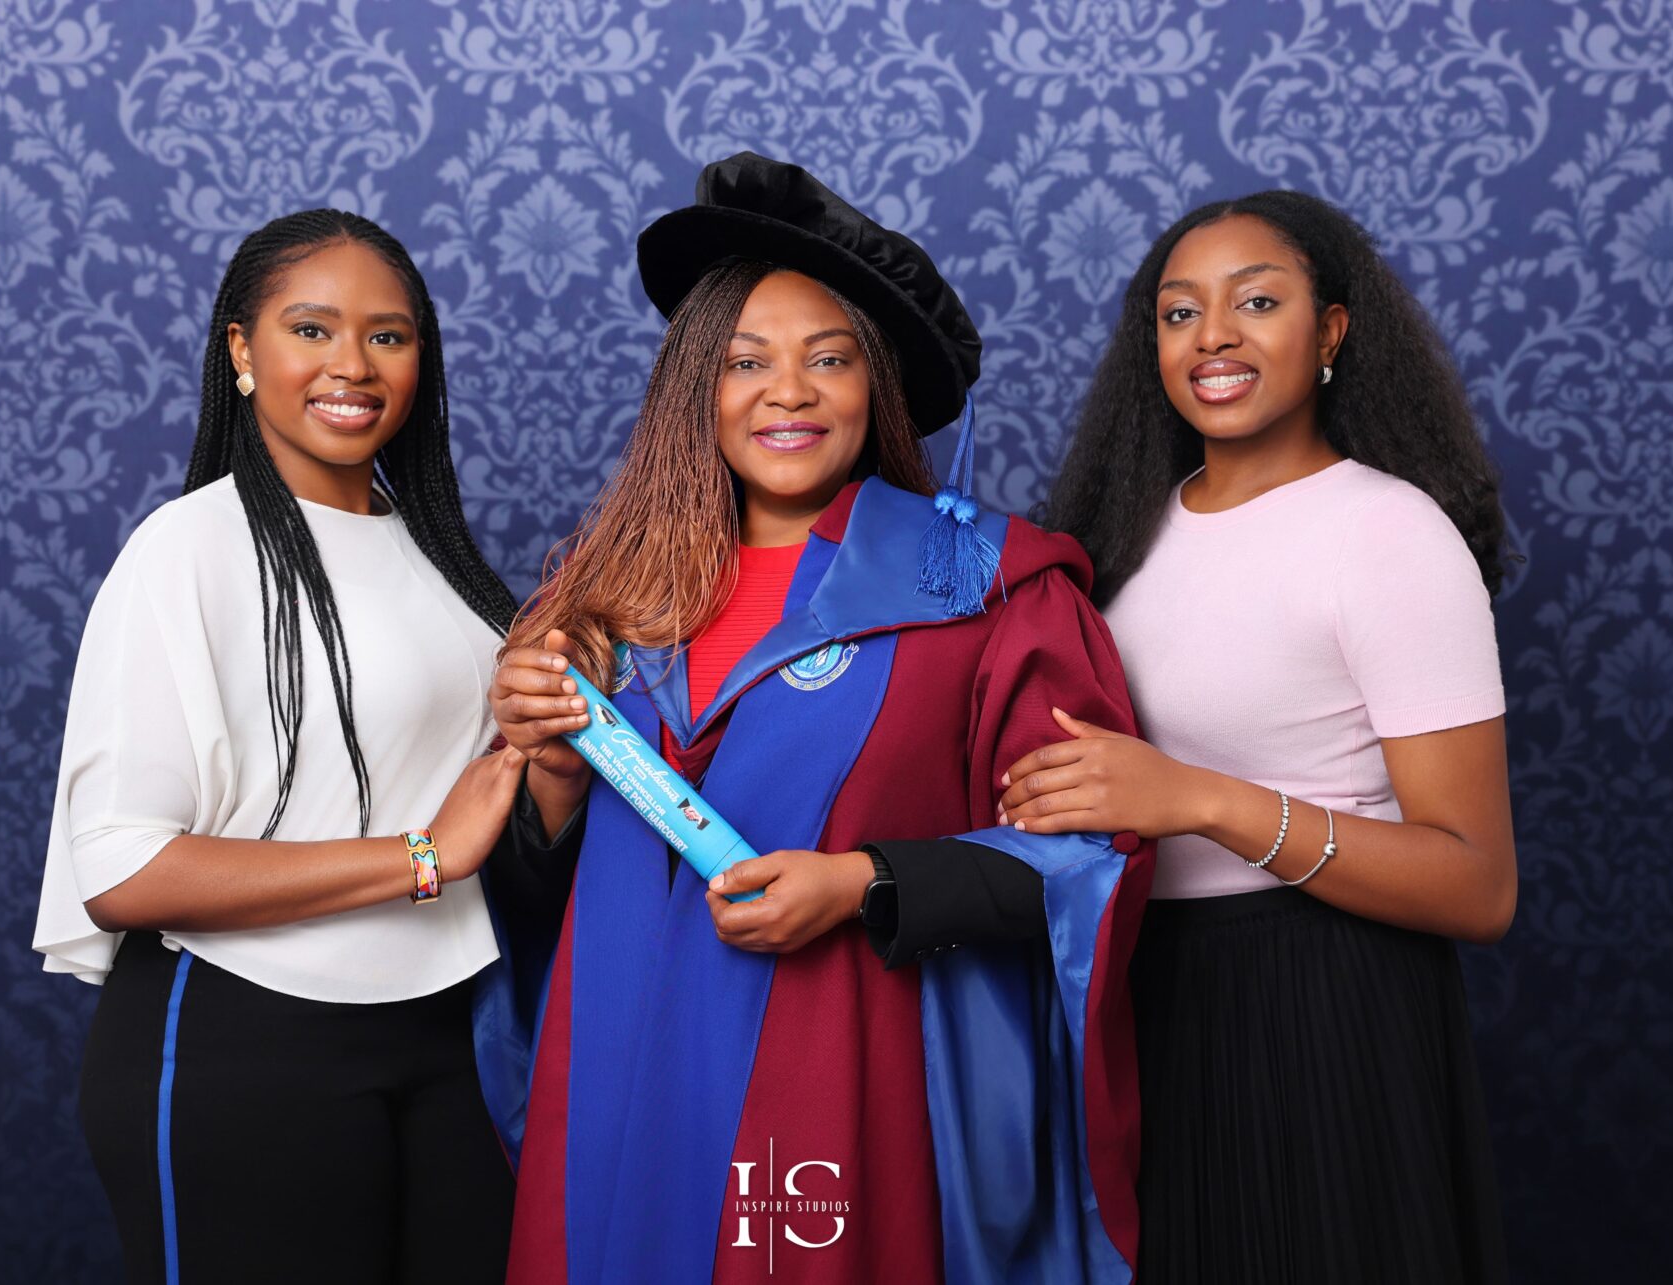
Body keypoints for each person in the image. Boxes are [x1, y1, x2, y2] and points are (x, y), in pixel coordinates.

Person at [483, 153, 1152, 1285]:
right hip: (619, 1069)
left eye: (827, 359)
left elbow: (1085, 849)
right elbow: (525, 893)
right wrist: (544, 770)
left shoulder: (990, 591)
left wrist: (864, 885)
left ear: (875, 386)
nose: (785, 393)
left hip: (846, 1071)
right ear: (696, 387)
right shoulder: (601, 599)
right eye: (745, 362)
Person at [32, 209, 557, 1284]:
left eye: (389, 336)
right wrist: (422, 855)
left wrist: (559, 744)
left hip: (450, 1037)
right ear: (241, 350)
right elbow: (125, 869)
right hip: (239, 1037)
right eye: (311, 330)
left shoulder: (448, 570)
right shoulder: (187, 550)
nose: (352, 366)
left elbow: (506, 822)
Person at [1015, 190, 1516, 1284]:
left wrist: (1200, 799)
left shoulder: (1390, 532)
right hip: (1147, 990)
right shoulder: (1124, 533)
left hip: (1322, 1002)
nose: (1215, 338)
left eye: (1257, 302)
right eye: (1179, 312)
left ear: (1331, 330)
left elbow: (1478, 887)